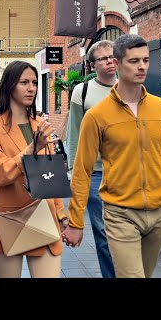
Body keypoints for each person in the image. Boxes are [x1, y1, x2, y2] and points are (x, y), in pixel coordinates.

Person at [62, 34, 161, 278]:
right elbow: (81, 169)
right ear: (118, 64)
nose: (141, 66)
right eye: (133, 61)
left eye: (145, 60)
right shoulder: (97, 115)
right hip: (119, 212)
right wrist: (76, 221)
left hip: (159, 212)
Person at [0, 61, 67, 278]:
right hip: (10, 217)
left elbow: (50, 175)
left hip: (45, 216)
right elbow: (0, 174)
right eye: (24, 82)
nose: (31, 88)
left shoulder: (39, 125)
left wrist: (62, 214)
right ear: (9, 86)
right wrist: (31, 149)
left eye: (34, 83)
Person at [64, 39, 117, 278]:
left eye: (112, 56)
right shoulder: (82, 91)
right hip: (96, 173)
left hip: (128, 173)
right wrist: (75, 176)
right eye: (103, 58)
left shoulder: (130, 88)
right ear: (92, 64)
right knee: (104, 234)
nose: (109, 61)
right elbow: (74, 135)